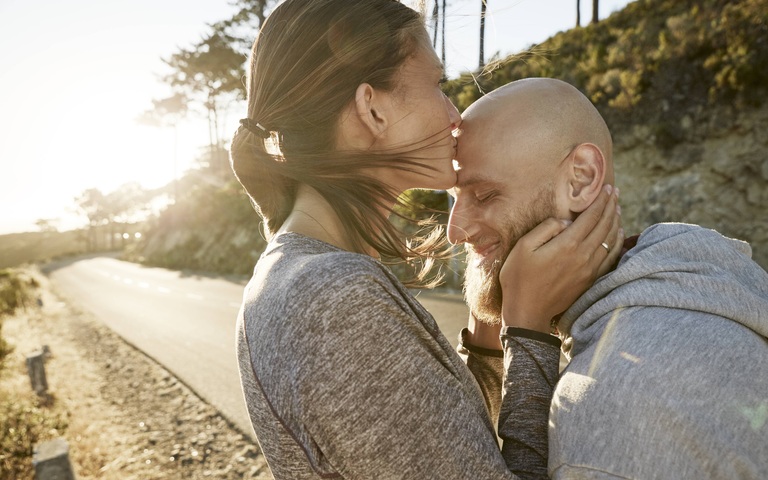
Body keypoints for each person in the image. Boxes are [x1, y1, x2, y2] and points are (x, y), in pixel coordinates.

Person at [228, 2, 623, 479]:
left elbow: (441, 440)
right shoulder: (336, 303)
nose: (455, 116)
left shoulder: (298, 272)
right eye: (437, 85)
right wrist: (529, 327)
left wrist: (487, 329)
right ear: (371, 108)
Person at [447, 77, 768, 479]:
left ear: (580, 178)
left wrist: (524, 327)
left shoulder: (606, 406)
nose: (454, 231)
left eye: (485, 195)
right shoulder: (694, 283)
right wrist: (498, 324)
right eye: (453, 197)